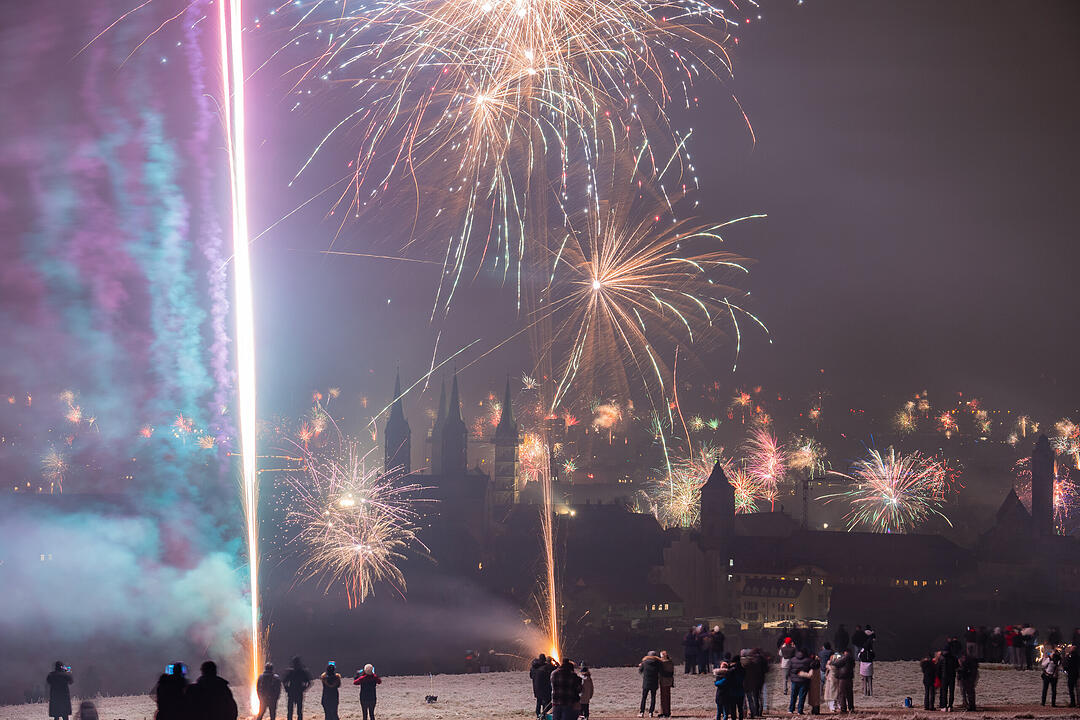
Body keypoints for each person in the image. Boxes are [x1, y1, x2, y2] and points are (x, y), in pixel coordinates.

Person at [530, 653, 556, 719]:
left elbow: (531, 676)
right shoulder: (546, 667)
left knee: (539, 702)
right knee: (546, 702)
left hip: (536, 688)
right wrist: (554, 661)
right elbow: (557, 668)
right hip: (545, 688)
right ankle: (544, 715)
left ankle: (538, 714)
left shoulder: (533, 667)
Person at [829, 648, 854, 714]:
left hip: (843, 678)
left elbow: (837, 663)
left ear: (846, 652)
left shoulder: (846, 657)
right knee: (849, 694)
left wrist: (832, 661)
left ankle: (843, 708)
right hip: (849, 678)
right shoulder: (852, 658)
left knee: (842, 694)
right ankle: (851, 708)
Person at [741, 650, 765, 718]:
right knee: (750, 699)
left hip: (742, 683)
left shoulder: (740, 663)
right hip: (750, 683)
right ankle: (753, 712)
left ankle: (744, 713)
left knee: (743, 700)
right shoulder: (752, 663)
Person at [638, 650, 662, 718]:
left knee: (644, 697)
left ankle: (642, 712)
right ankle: (651, 713)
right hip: (654, 682)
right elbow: (661, 671)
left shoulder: (644, 662)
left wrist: (640, 666)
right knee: (653, 697)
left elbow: (640, 671)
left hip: (646, 682)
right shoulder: (658, 663)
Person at [787, 649, 811, 715]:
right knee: (802, 696)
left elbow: (789, 669)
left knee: (793, 695)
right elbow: (810, 669)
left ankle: (791, 709)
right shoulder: (808, 660)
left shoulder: (792, 660)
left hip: (794, 680)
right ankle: (800, 711)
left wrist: (790, 677)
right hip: (804, 680)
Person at [937, 645, 958, 712]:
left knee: (944, 692)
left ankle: (944, 706)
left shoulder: (941, 658)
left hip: (944, 677)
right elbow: (957, 666)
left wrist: (939, 677)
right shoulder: (954, 658)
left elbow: (938, 668)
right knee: (951, 692)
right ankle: (950, 706)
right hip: (952, 677)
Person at [658, 651, 675, 718]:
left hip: (663, 681)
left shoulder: (662, 663)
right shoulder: (670, 662)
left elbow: (661, 672)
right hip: (669, 681)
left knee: (663, 698)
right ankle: (667, 712)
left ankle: (664, 712)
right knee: (667, 697)